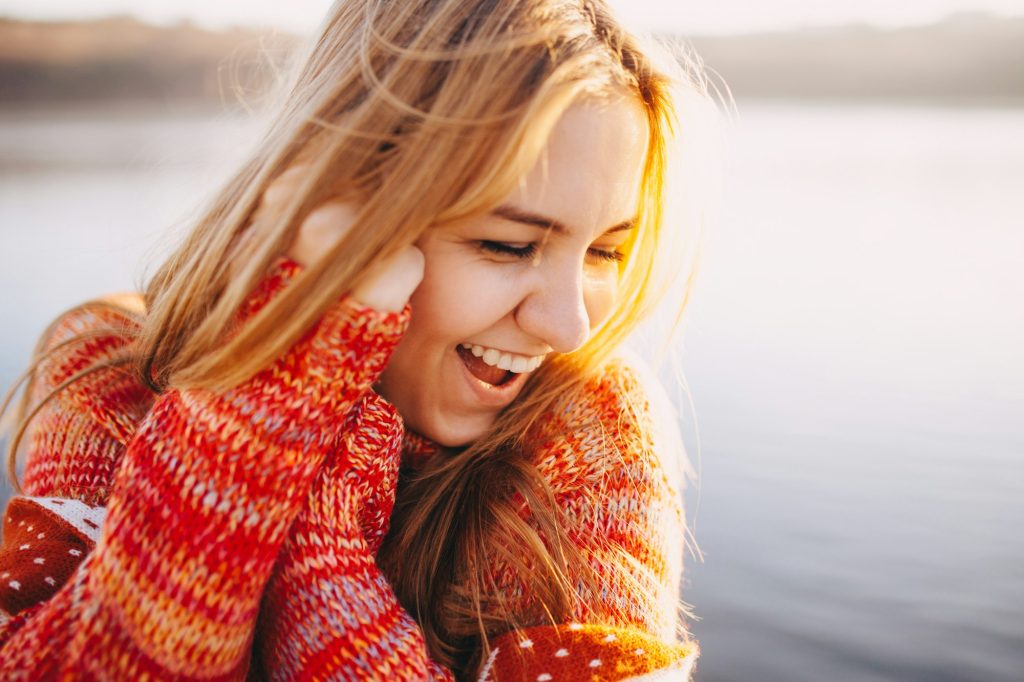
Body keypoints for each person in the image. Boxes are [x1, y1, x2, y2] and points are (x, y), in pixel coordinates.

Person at [0, 0, 714, 679]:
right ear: (350, 207)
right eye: (506, 244)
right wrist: (265, 409)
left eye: (603, 252)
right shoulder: (113, 368)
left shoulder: (586, 427)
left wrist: (321, 559)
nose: (569, 327)